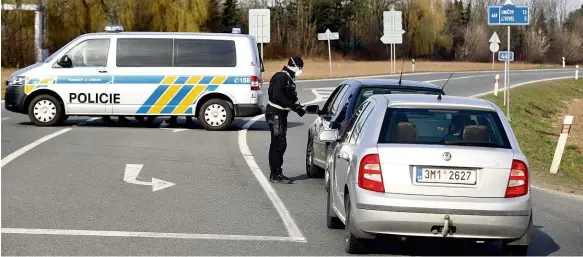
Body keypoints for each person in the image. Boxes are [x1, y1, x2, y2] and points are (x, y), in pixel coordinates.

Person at [265, 56, 306, 184]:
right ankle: (276, 174)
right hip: (275, 113)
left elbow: (288, 97)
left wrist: (297, 107)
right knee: (279, 143)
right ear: (294, 66)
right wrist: (293, 106)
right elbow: (277, 95)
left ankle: (275, 172)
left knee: (277, 143)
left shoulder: (288, 78)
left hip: (281, 114)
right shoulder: (281, 77)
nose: (301, 71)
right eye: (300, 68)